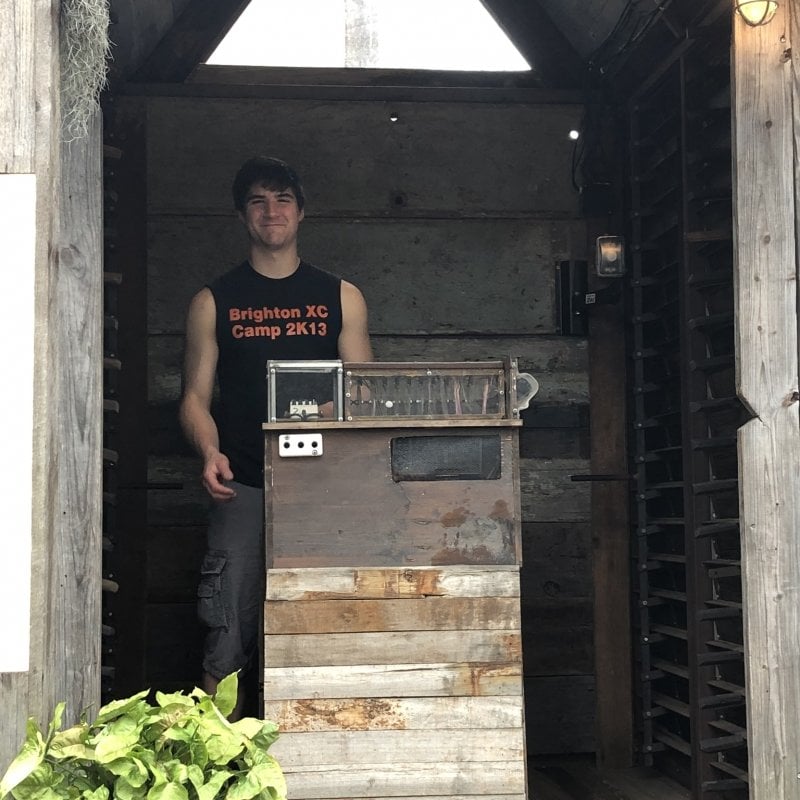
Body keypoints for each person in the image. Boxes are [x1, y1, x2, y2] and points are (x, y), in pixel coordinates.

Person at [179, 156, 373, 718]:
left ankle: (315, 761)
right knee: (227, 626)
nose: (272, 211)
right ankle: (224, 762)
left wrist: (314, 409)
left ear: (302, 212)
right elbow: (194, 397)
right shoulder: (213, 301)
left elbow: (362, 393)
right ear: (243, 215)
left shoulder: (341, 297)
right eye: (259, 201)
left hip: (325, 490)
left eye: (283, 199)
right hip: (241, 484)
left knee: (326, 617)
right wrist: (209, 451)